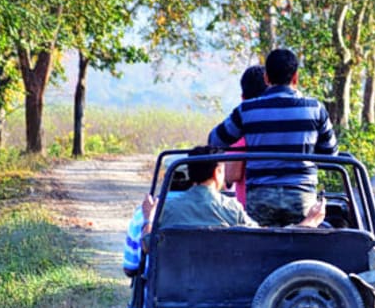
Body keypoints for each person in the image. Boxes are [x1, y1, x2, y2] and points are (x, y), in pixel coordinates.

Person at [122, 146, 325, 277]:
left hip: (169, 294)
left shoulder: (162, 210)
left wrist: (149, 219)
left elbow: (146, 247)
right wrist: (306, 224)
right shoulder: (231, 209)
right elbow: (266, 240)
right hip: (221, 294)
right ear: (217, 172)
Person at [208, 48, 338, 226]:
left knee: (259, 241)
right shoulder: (315, 109)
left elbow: (215, 140)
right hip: (301, 196)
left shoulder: (247, 110)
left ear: (266, 78)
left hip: (259, 197)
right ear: (295, 77)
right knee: (304, 239)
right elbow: (330, 154)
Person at [223, 65, 270, 206]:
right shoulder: (286, 126)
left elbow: (232, 175)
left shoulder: (242, 132)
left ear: (243, 98)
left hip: (251, 209)